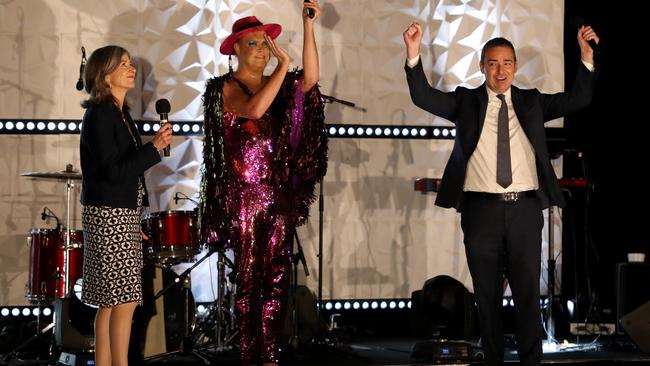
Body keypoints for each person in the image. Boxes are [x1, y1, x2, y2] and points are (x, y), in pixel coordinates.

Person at [403, 23, 599, 366]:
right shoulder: (466, 101)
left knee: (526, 296)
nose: (500, 70)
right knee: (487, 297)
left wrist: (585, 56)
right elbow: (423, 96)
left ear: (516, 67)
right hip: (481, 212)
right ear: (482, 67)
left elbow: (578, 99)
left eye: (507, 63)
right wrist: (413, 52)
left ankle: (530, 362)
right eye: (493, 63)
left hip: (524, 210)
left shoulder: (532, 102)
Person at [198, 2, 327, 365]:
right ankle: (247, 355)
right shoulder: (224, 88)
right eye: (253, 43)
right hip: (244, 199)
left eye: (265, 43)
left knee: (277, 279)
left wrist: (308, 26)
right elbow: (253, 110)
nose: (262, 50)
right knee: (249, 279)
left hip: (277, 195)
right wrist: (284, 67)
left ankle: (269, 357)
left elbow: (312, 79)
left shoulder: (279, 87)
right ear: (236, 50)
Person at [79, 45, 172, 366]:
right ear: (105, 76)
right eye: (123, 65)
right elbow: (114, 170)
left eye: (131, 63)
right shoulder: (100, 115)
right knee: (124, 301)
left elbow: (125, 172)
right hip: (109, 215)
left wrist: (136, 221)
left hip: (120, 215)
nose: (132, 68)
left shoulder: (120, 113)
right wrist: (154, 148)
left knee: (111, 302)